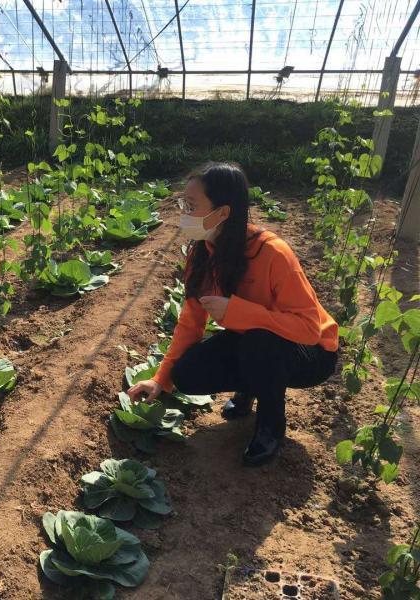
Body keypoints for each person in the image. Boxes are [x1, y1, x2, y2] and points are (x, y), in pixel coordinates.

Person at [127, 162, 339, 466]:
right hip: (256, 340)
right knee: (186, 374)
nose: (184, 212)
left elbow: (308, 329)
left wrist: (238, 311)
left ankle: (270, 427)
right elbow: (190, 323)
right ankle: (250, 385)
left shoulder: (272, 253)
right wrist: (161, 380)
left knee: (259, 343)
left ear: (223, 212)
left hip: (312, 352)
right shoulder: (202, 254)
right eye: (182, 203)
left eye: (192, 205)